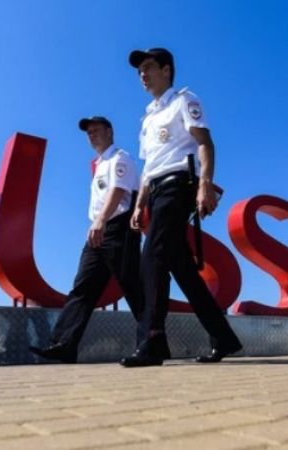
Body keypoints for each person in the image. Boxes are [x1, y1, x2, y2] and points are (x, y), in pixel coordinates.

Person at [120, 48, 242, 367]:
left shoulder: (184, 100)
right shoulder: (147, 118)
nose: (142, 74)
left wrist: (204, 184)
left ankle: (152, 342)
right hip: (157, 189)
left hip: (179, 183)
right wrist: (139, 205)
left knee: (151, 260)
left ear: (166, 70)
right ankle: (224, 338)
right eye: (139, 71)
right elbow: (148, 166)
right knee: (182, 269)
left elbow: (204, 142)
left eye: (148, 67)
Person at [29, 116, 145, 363]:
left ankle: (152, 342)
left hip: (118, 229)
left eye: (96, 130)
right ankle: (63, 345)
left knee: (133, 286)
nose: (91, 135)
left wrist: (101, 221)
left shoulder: (120, 158)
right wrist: (97, 224)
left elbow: (119, 191)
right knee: (83, 288)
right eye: (88, 132)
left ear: (110, 131)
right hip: (98, 230)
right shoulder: (99, 164)